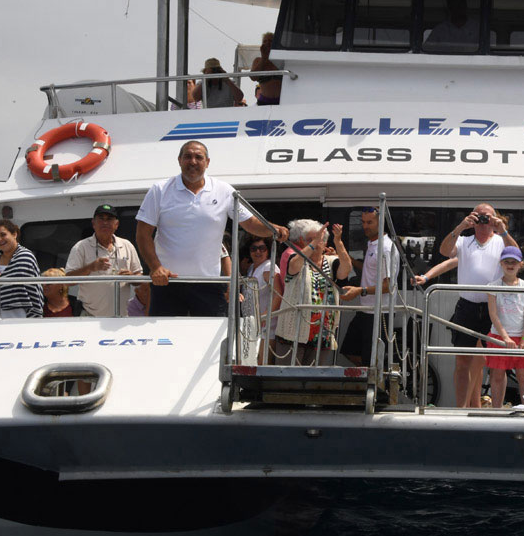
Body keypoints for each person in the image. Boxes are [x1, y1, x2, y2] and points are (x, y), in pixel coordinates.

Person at [136, 141, 288, 317]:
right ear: (179, 160)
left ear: (207, 162)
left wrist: (272, 228)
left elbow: (250, 223)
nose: (193, 161)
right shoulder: (160, 190)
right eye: (188, 156)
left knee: (209, 342)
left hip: (209, 283)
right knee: (166, 341)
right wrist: (155, 268)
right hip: (167, 283)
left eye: (198, 157)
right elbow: (142, 234)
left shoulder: (223, 190)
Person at [436, 204, 519, 408]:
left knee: (497, 364)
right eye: (479, 217)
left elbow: (516, 254)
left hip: (494, 309)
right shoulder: (464, 241)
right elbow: (444, 250)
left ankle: (496, 409)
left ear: (495, 219)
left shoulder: (501, 241)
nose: (484, 222)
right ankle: (461, 409)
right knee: (463, 362)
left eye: (487, 217)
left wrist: (503, 230)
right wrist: (460, 227)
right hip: (468, 308)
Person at [273, 221, 353, 364]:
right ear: (303, 242)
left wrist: (338, 242)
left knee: (313, 381)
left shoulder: (331, 261)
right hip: (292, 335)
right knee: (288, 380)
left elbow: (345, 269)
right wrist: (314, 243)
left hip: (322, 335)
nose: (315, 243)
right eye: (310, 240)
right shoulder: (295, 259)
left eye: (319, 240)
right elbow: (294, 266)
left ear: (325, 242)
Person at [338, 207, 400, 367]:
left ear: (381, 223)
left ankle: (376, 385)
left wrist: (360, 290)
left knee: (371, 358)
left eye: (370, 222)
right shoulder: (372, 244)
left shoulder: (386, 248)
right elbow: (369, 268)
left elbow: (388, 285)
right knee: (349, 350)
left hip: (379, 312)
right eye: (363, 222)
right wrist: (346, 258)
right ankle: (369, 379)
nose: (365, 226)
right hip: (365, 310)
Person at [65, 203, 142, 317]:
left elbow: (139, 278)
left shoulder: (127, 245)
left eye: (109, 219)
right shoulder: (81, 247)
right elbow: (69, 281)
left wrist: (131, 276)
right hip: (90, 317)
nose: (105, 222)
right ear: (93, 223)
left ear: (116, 224)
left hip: (121, 317)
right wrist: (91, 267)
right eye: (101, 219)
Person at [484, 246, 524, 407]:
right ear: (501, 263)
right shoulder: (492, 286)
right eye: (507, 261)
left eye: (514, 262)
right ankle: (496, 410)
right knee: (497, 375)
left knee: (523, 376)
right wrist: (505, 337)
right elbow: (493, 314)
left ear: (521, 264)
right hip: (499, 337)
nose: (510, 265)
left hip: (521, 337)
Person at [0, 219, 43, 318]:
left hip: (21, 316)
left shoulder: (25, 256)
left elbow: (16, 287)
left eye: (3, 235)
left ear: (14, 234)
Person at [251, 32, 282, 105]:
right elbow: (253, 77)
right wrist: (264, 58)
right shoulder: (258, 60)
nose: (267, 43)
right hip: (264, 101)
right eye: (265, 41)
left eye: (270, 41)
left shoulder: (281, 60)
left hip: (282, 101)